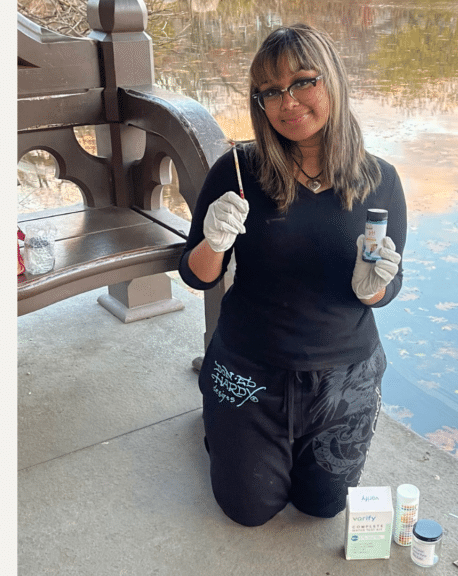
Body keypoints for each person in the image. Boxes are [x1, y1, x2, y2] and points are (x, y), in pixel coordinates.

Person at [178, 23, 407, 527]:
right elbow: (195, 276)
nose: (288, 103)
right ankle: (221, 421)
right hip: (249, 367)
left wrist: (374, 287)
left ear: (333, 81)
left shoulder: (379, 179)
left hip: (344, 374)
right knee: (249, 510)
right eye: (271, 92)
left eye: (304, 81)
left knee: (322, 507)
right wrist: (215, 244)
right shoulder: (238, 170)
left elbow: (387, 289)